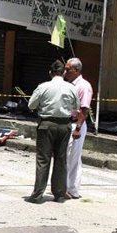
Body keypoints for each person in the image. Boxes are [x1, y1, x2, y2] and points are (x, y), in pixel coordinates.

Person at [26, 59, 80, 204]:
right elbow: (76, 106)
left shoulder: (43, 87)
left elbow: (31, 104)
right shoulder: (71, 88)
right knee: (61, 160)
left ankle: (37, 195)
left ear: (50, 73)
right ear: (63, 73)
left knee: (43, 160)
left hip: (46, 125)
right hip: (64, 126)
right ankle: (60, 195)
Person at [64, 57, 94, 199]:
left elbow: (84, 109)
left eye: (68, 69)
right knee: (68, 156)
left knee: (73, 158)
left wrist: (78, 128)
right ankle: (67, 186)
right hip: (68, 123)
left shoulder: (84, 86)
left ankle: (72, 189)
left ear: (76, 70)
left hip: (77, 124)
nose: (65, 72)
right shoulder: (70, 84)